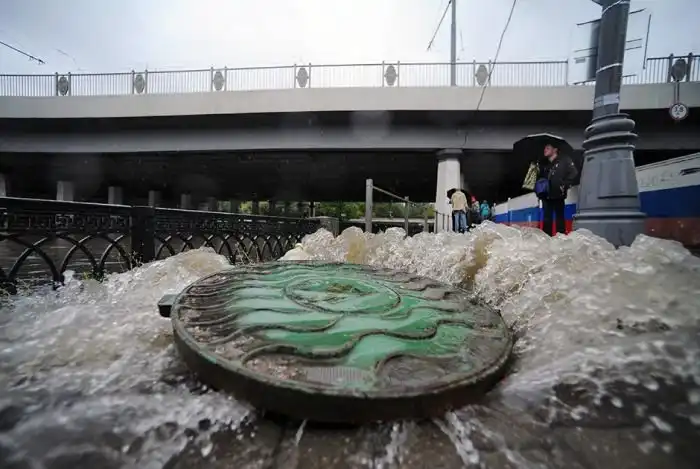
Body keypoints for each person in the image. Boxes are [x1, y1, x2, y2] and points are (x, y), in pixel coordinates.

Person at [541, 144, 578, 236]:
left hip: (559, 195)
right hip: (546, 196)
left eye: (548, 148)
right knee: (546, 220)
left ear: (555, 149)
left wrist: (565, 184)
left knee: (559, 219)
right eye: (544, 148)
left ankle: (560, 239)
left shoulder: (564, 160)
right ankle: (547, 239)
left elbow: (574, 172)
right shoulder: (543, 163)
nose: (545, 150)